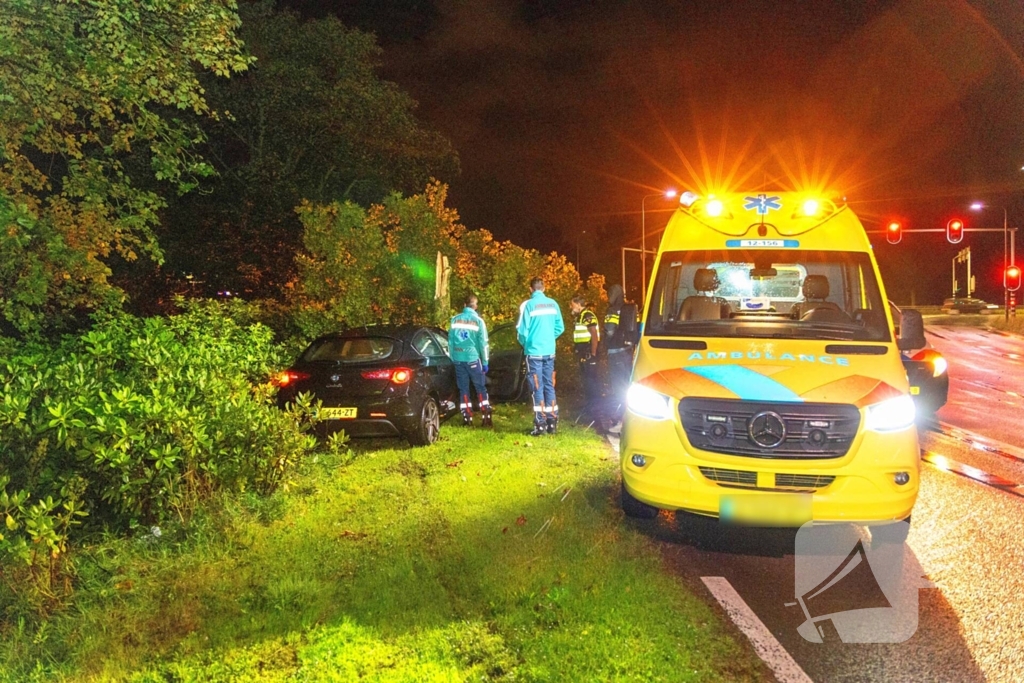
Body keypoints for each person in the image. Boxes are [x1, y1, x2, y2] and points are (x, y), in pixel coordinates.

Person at [516, 277, 565, 435]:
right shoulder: (553, 304)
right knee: (549, 385)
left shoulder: (529, 305)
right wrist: (549, 338)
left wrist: (527, 344)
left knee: (537, 386)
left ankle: (540, 424)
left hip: (534, 352)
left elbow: (522, 331)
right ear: (544, 288)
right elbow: (560, 327)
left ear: (531, 289)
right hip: (549, 351)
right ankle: (552, 423)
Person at [449, 294, 492, 427]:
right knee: (480, 387)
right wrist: (485, 362)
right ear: (475, 306)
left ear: (464, 305)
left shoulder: (455, 320)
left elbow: (450, 342)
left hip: (458, 359)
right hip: (473, 359)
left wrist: (453, 357)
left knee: (463, 389)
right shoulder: (478, 321)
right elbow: (483, 344)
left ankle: (467, 417)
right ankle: (486, 416)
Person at [570, 296, 604, 431]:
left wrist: (593, 354)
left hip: (589, 355)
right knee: (588, 383)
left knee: (592, 384)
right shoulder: (581, 316)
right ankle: (591, 411)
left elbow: (594, 334)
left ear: (579, 304)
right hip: (583, 354)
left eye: (572, 305)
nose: (571, 307)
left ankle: (597, 417)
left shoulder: (587, 315)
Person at [603, 284, 633, 422]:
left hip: (615, 351)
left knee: (617, 385)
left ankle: (619, 415)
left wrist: (606, 342)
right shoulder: (630, 308)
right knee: (627, 383)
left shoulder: (612, 310)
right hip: (627, 351)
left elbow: (609, 330)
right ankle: (629, 413)